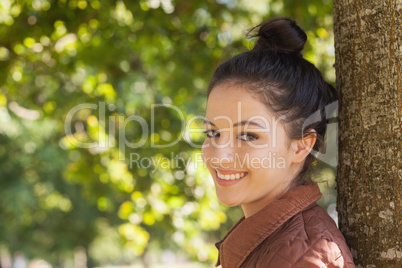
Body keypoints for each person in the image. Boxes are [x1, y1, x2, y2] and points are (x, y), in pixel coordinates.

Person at [201, 17, 355, 267]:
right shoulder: (272, 241)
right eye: (212, 133)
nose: (219, 156)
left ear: (301, 145)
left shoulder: (305, 258)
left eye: (248, 136)